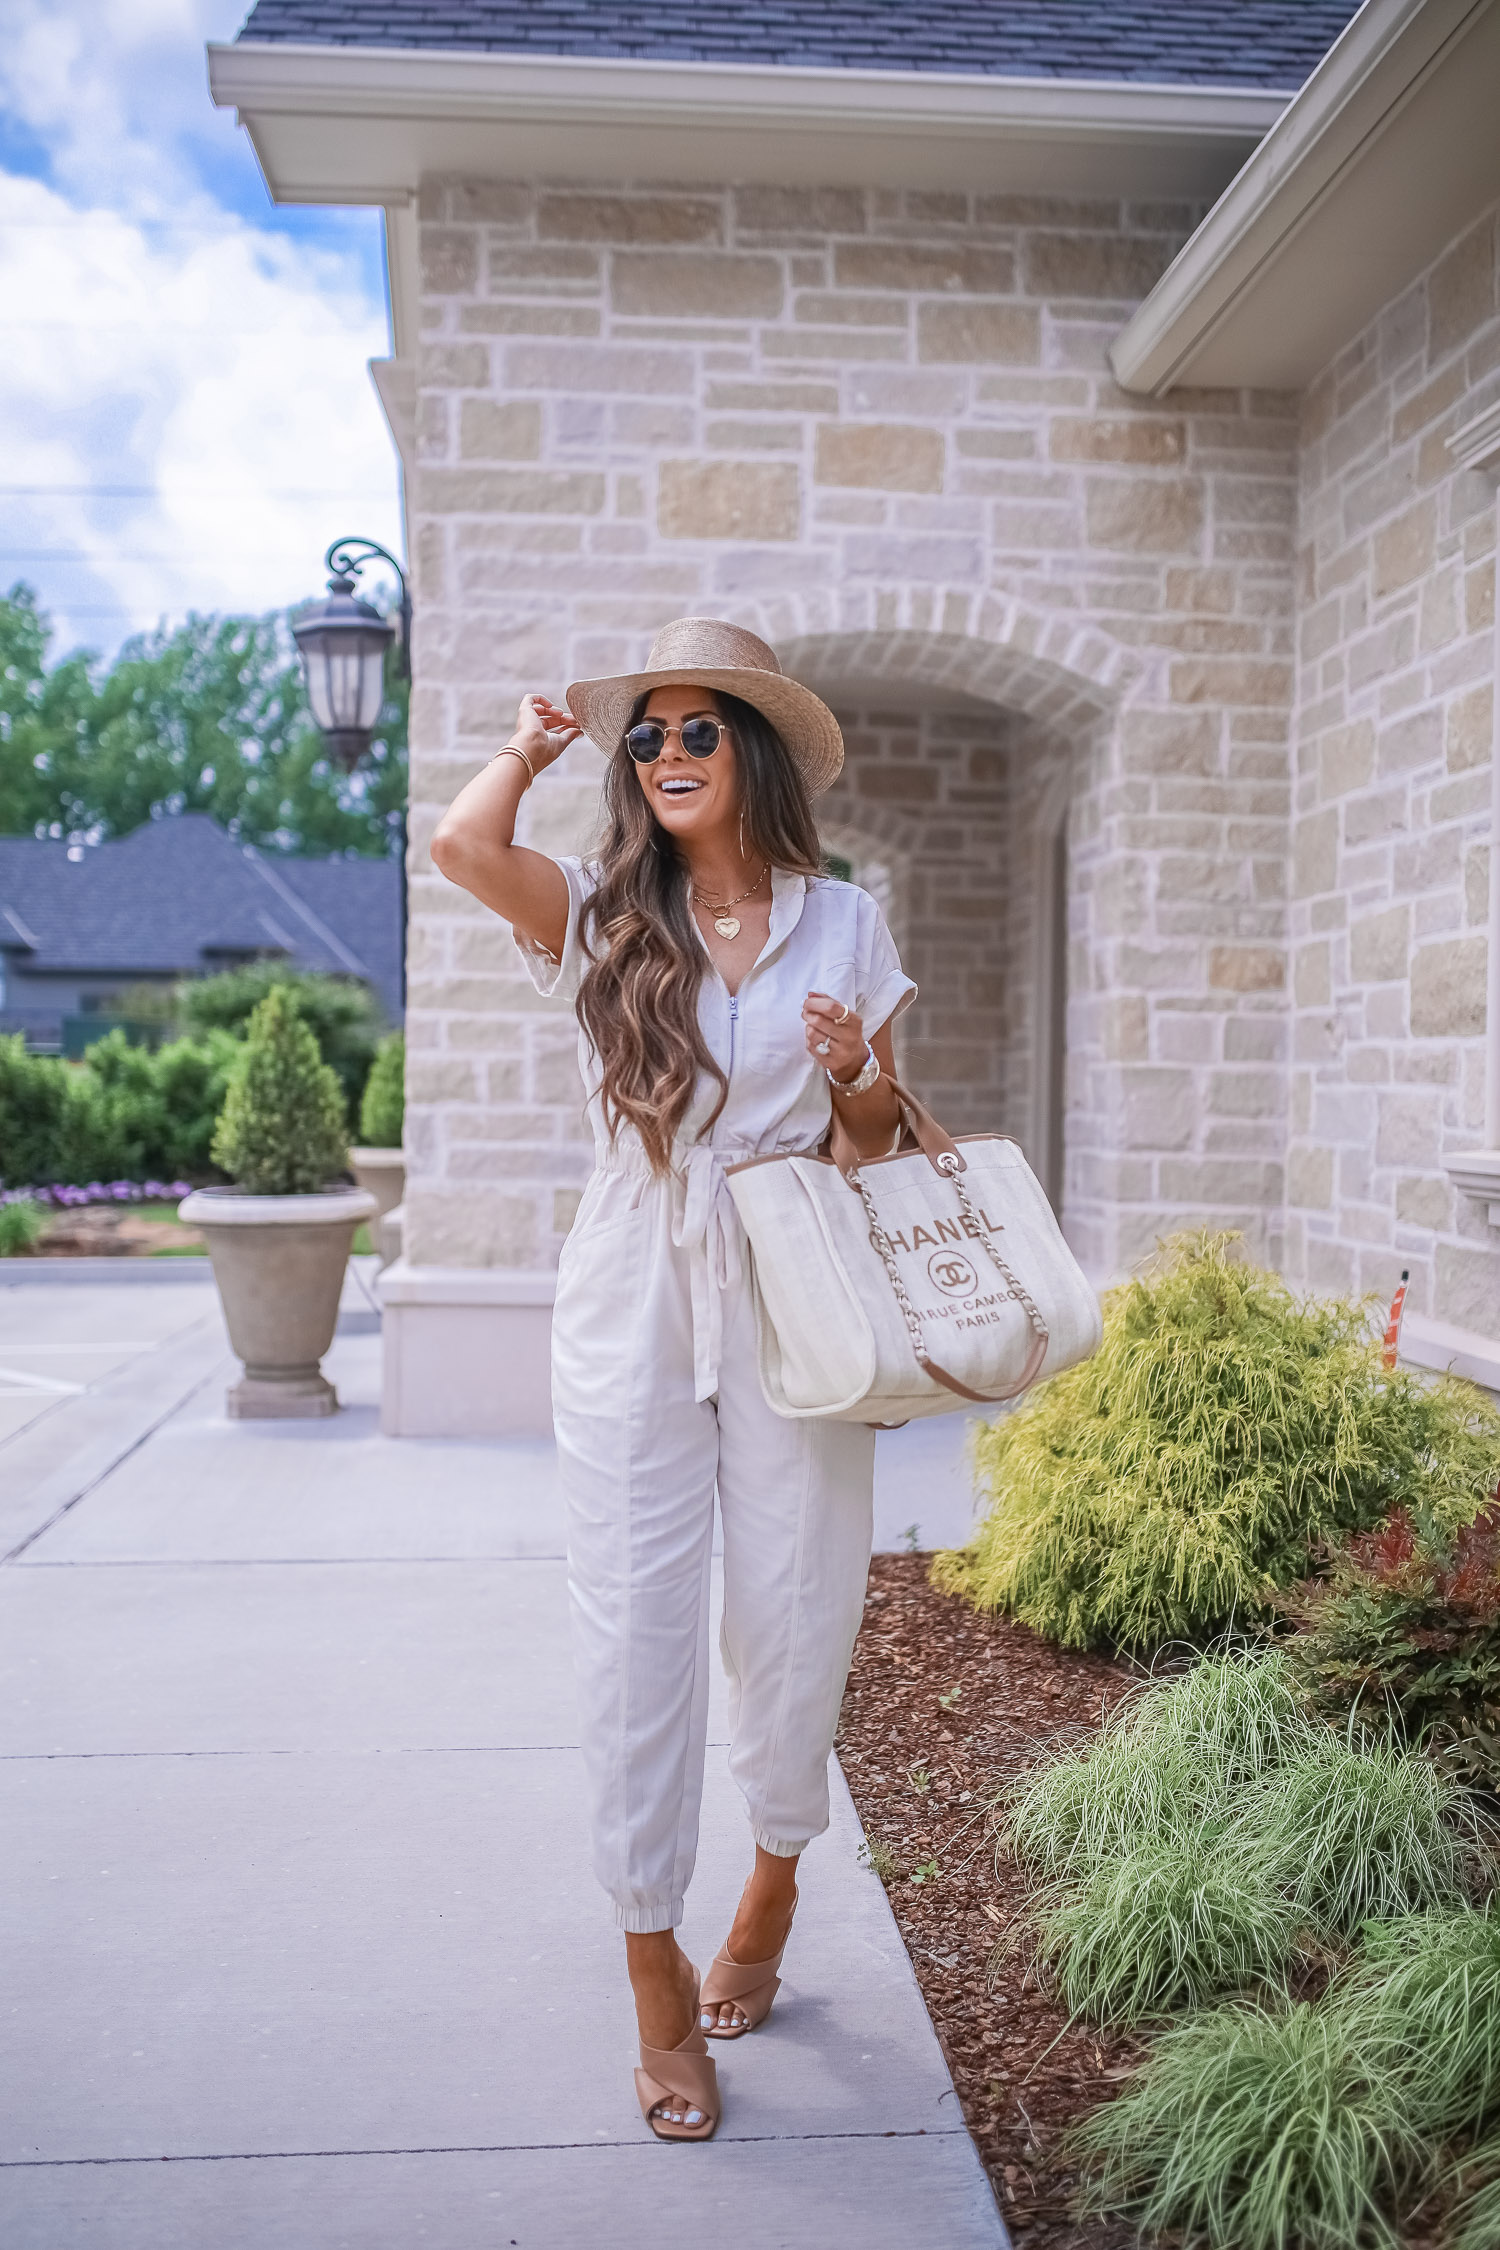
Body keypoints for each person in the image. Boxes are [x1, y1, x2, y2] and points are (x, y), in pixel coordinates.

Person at [430, 617, 916, 2143]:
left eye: (700, 731)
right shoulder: (594, 908)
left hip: (793, 1277)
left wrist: (849, 1069)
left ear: (753, 754)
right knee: (637, 1624)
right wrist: (533, 743)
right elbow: (457, 842)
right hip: (633, 1278)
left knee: (795, 1606)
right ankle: (649, 1956)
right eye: (649, 737)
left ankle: (772, 1872)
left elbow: (877, 1141)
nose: (670, 755)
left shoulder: (846, 922)